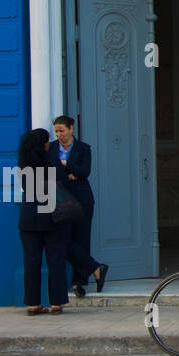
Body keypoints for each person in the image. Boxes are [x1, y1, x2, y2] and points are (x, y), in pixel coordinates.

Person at [47, 115, 108, 298]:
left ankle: (79, 282)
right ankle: (95, 268)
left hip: (82, 200)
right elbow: (51, 171)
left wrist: (65, 166)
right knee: (63, 240)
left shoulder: (83, 148)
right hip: (59, 200)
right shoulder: (50, 148)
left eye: (62, 131)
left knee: (82, 238)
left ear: (71, 129)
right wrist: (69, 172)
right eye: (56, 131)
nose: (59, 135)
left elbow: (84, 171)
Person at [17, 128, 69, 315]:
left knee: (31, 262)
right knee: (55, 260)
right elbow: (63, 182)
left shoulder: (23, 165)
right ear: (43, 145)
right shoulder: (51, 163)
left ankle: (32, 304)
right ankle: (56, 303)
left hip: (29, 217)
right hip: (51, 217)